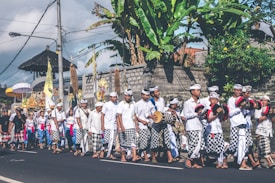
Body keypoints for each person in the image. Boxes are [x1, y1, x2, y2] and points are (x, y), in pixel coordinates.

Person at [227, 94, 252, 170]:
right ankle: (240, 163)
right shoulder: (236, 110)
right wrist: (239, 108)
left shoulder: (244, 111)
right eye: (243, 102)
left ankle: (243, 163)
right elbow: (230, 114)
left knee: (245, 146)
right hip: (238, 128)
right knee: (238, 146)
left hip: (244, 128)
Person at [183, 84, 205, 168]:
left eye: (199, 90)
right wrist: (196, 114)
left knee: (199, 144)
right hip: (191, 126)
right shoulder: (188, 103)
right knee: (193, 144)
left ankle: (195, 162)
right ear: (192, 92)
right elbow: (186, 115)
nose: (199, 92)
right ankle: (189, 159)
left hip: (199, 125)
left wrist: (202, 114)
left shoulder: (201, 102)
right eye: (197, 90)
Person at [205, 92, 228, 169]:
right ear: (209, 100)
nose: (214, 101)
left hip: (218, 130)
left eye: (215, 99)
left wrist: (222, 113)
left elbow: (221, 119)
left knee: (220, 147)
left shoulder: (219, 107)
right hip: (211, 130)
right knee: (211, 147)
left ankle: (220, 162)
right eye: (212, 99)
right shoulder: (208, 108)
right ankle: (207, 159)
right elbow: (209, 119)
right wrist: (216, 113)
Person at [117, 89, 139, 162]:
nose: (128, 97)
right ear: (124, 96)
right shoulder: (121, 104)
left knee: (134, 142)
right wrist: (121, 126)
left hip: (131, 126)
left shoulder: (134, 104)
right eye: (126, 96)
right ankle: (123, 157)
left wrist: (136, 125)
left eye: (129, 96)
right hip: (124, 126)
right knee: (123, 143)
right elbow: (119, 116)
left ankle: (134, 156)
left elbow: (135, 115)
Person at [241, 85, 260, 168]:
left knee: (249, 144)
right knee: (245, 144)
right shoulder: (240, 101)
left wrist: (253, 108)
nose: (248, 94)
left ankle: (251, 161)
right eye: (246, 93)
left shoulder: (250, 101)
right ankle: (251, 162)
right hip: (241, 124)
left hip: (248, 124)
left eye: (249, 93)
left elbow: (251, 114)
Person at [134, 89, 155, 162]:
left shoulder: (150, 103)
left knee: (149, 140)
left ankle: (142, 153)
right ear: (142, 95)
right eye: (145, 95)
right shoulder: (137, 104)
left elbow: (153, 113)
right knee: (143, 140)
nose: (147, 97)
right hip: (141, 125)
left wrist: (151, 118)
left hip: (149, 124)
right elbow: (135, 116)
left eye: (148, 95)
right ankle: (145, 155)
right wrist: (141, 121)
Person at [255, 95, 275, 168]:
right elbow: (258, 119)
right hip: (261, 131)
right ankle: (270, 162)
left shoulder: (269, 109)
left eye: (265, 100)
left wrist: (272, 114)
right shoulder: (258, 109)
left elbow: (273, 121)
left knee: (261, 147)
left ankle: (258, 162)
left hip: (268, 131)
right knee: (265, 147)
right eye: (262, 100)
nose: (263, 102)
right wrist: (267, 114)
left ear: (268, 102)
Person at [101, 92, 118, 159]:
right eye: (113, 97)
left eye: (115, 97)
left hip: (114, 126)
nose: (115, 98)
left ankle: (111, 154)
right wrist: (102, 125)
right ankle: (102, 151)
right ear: (110, 98)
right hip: (107, 125)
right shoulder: (106, 105)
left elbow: (117, 116)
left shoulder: (117, 105)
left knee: (113, 141)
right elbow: (102, 115)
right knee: (106, 140)